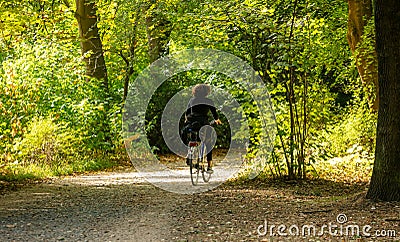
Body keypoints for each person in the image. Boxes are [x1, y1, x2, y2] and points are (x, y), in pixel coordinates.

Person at [184, 84, 222, 173]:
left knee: (192, 137)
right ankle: (209, 166)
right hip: (203, 123)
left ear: (195, 91)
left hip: (192, 123)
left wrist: (187, 120)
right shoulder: (209, 101)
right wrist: (217, 120)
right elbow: (214, 113)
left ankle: (190, 152)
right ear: (206, 92)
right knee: (208, 143)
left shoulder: (192, 100)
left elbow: (187, 112)